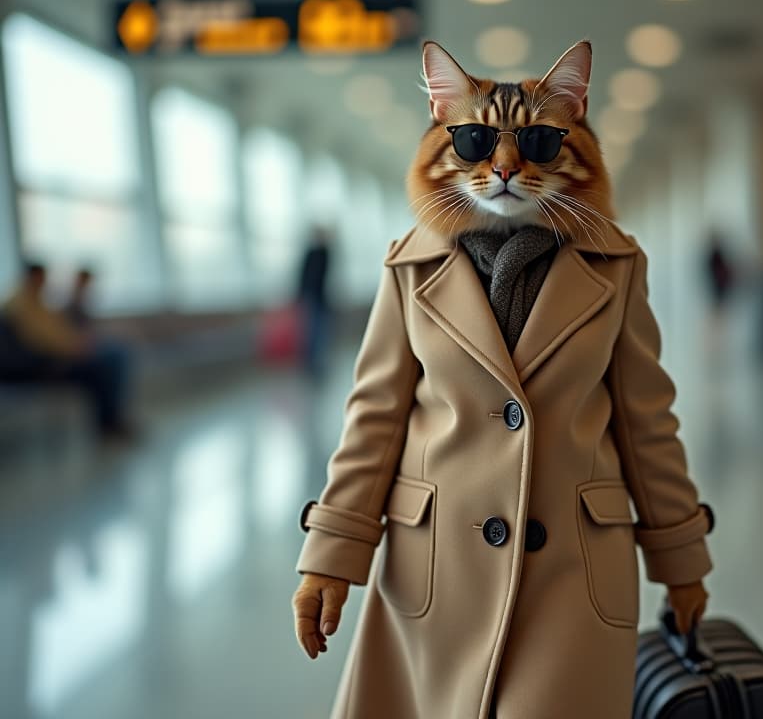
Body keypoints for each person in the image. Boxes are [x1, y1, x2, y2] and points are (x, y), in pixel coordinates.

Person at [291, 41, 713, 719]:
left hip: (574, 572)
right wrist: (330, 556)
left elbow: (647, 425)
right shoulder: (406, 268)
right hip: (437, 571)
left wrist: (681, 558)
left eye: (541, 142)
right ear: (439, 132)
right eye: (475, 140)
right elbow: (373, 419)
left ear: (577, 128)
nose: (507, 165)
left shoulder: (617, 266)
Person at [1, 263, 133, 439]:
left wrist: (76, 345)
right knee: (104, 366)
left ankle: (111, 421)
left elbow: (57, 332)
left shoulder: (37, 302)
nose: (44, 283)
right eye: (41, 278)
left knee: (112, 356)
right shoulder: (21, 305)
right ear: (33, 278)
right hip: (40, 366)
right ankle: (108, 424)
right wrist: (73, 348)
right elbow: (40, 340)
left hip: (52, 358)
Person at [296, 227, 332, 378]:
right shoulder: (316, 253)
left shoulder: (323, 252)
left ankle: (314, 362)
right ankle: (310, 362)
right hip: (313, 297)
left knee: (317, 330)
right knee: (313, 330)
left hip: (318, 297)